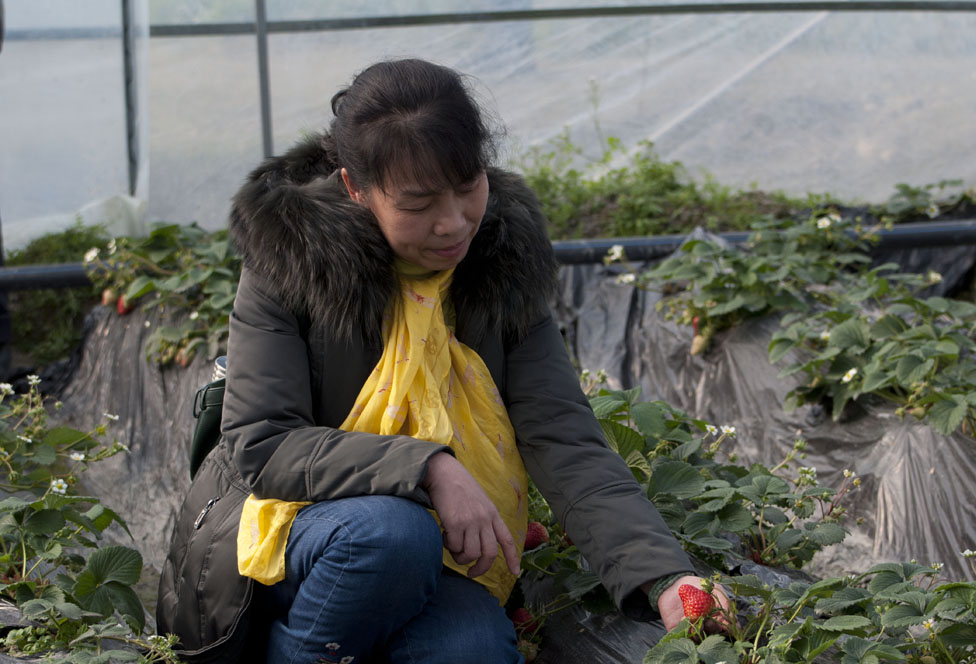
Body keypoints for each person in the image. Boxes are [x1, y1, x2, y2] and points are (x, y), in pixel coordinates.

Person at [157, 58, 728, 664]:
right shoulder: (293, 260)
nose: (453, 223)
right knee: (389, 535)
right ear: (355, 188)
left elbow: (561, 434)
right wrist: (429, 466)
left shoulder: (499, 265)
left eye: (467, 185)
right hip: (287, 535)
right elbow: (263, 442)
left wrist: (662, 577)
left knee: (474, 648)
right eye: (418, 203)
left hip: (439, 549)